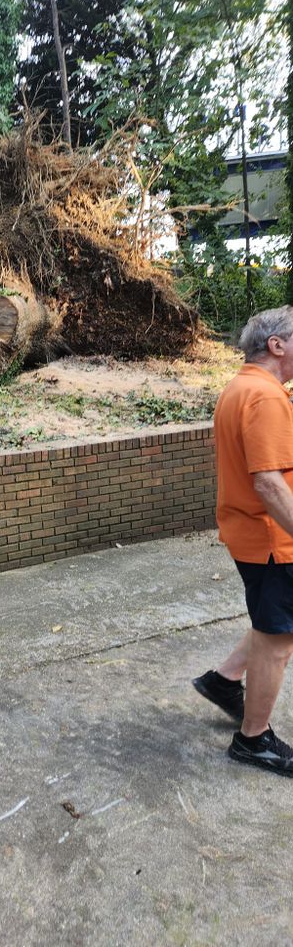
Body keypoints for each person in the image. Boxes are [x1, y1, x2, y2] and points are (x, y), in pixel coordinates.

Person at [193, 306, 293, 776]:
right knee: (279, 637)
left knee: (272, 618)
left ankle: (224, 680)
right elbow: (270, 483)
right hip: (274, 540)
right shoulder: (267, 398)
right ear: (277, 345)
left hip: (250, 534)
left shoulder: (239, 388)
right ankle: (253, 740)